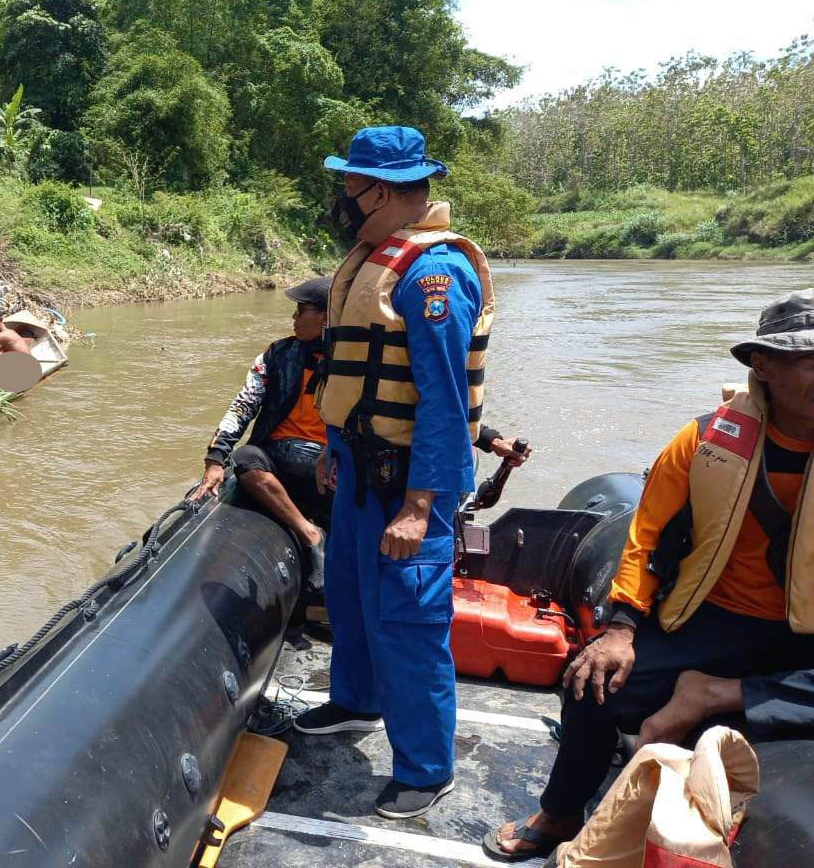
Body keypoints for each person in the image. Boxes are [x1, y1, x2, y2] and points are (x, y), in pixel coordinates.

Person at [483, 287, 814, 862]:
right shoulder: (705, 441)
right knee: (590, 681)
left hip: (806, 639)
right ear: (763, 365)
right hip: (720, 617)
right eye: (810, 361)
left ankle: (717, 694)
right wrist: (620, 629)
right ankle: (560, 812)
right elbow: (647, 536)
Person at [293, 125, 497, 821]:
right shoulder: (371, 258)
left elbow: (441, 400)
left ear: (378, 190)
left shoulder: (433, 274)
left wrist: (420, 505)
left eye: (347, 188)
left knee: (408, 622)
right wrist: (330, 443)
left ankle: (425, 767)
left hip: (406, 478)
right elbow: (356, 376)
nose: (341, 200)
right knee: (349, 597)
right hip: (355, 464)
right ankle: (356, 702)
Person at [192, 277, 334, 589]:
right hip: (277, 459)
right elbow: (243, 405)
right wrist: (216, 458)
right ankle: (309, 534)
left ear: (325, 316)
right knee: (244, 458)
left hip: (331, 466)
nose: (294, 318)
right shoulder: (277, 355)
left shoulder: (354, 361)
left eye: (300, 310)